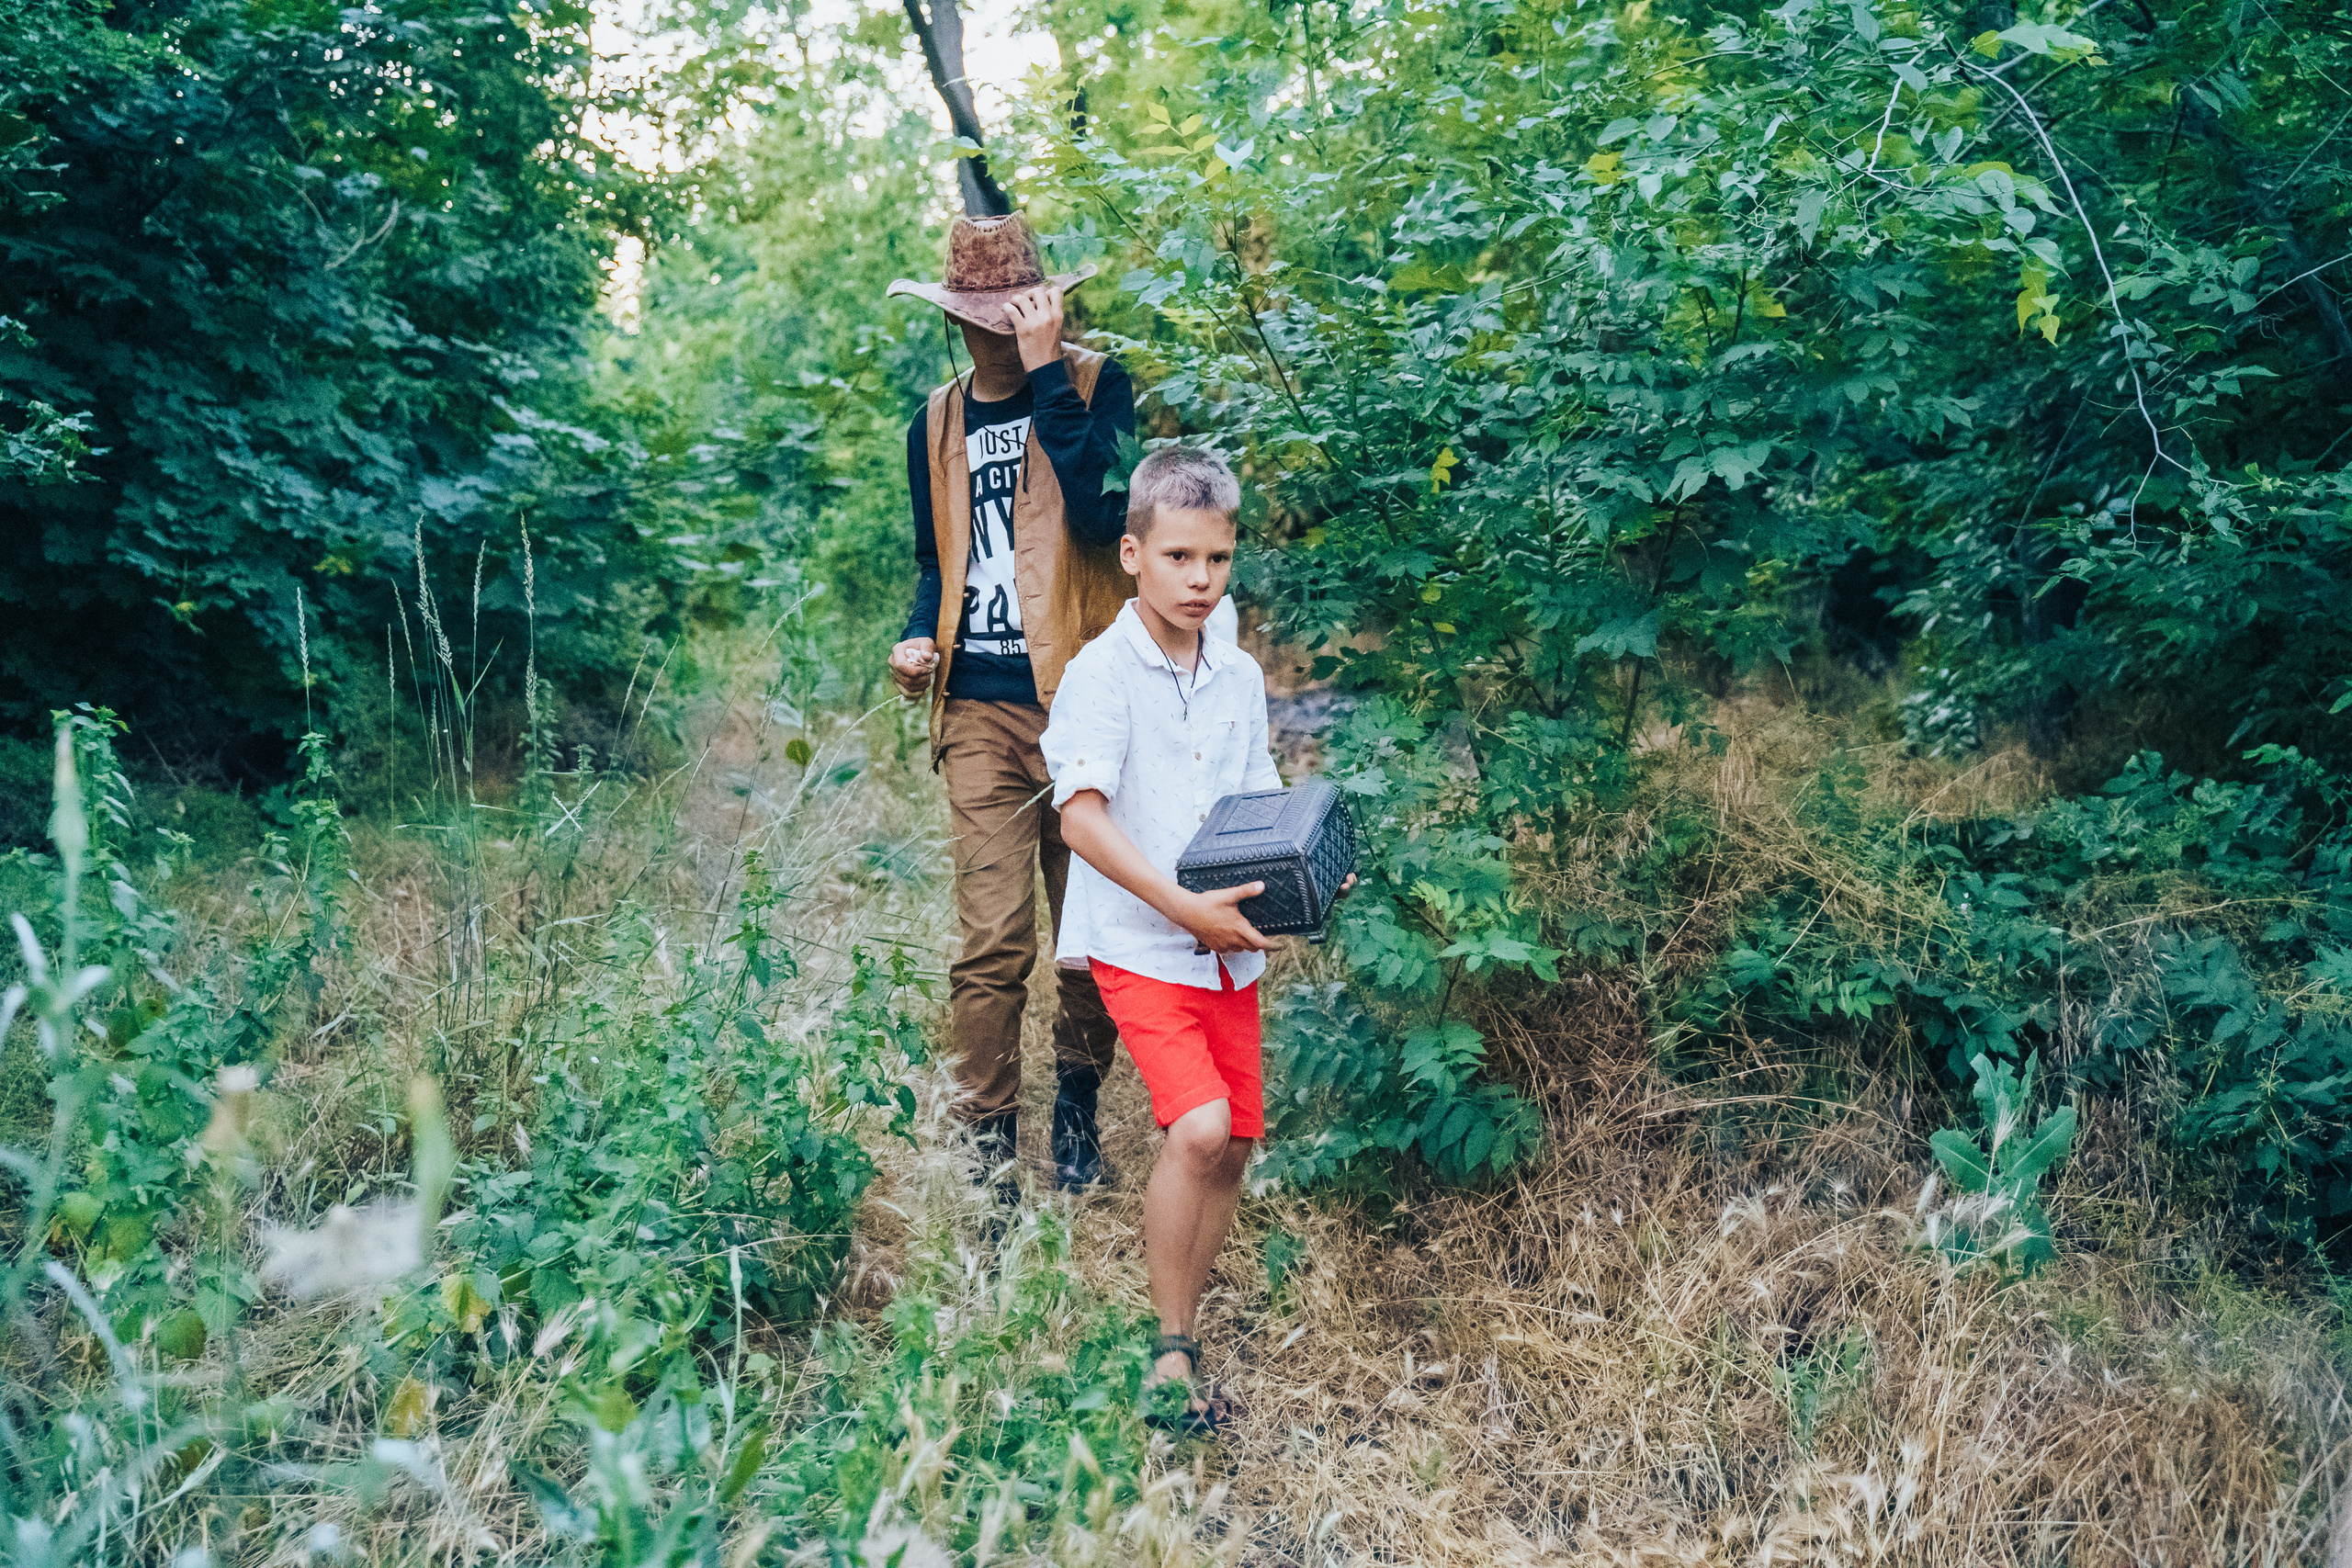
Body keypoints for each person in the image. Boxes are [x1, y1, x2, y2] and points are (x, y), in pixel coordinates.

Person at [1041, 446, 1351, 1436]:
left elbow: (1255, 796)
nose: (1200, 581)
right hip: (1141, 938)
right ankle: (1168, 1347)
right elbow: (1079, 821)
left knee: (1237, 1143)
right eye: (1177, 557)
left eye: (1217, 559)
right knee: (1200, 1128)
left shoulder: (1236, 670)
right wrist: (1184, 910)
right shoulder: (1100, 674)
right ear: (1131, 553)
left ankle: (1186, 1318)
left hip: (1227, 939)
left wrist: (1307, 864)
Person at [883, 213, 1135, 1191]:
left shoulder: (1093, 387)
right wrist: (916, 640)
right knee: (992, 943)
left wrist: (1045, 377)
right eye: (978, 314)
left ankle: (1075, 1118)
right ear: (954, 315)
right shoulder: (934, 423)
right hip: (979, 708)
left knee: (1088, 935)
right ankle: (987, 1149)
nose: (997, 328)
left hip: (1087, 703)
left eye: (1016, 311)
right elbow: (932, 564)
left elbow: (1109, 514)